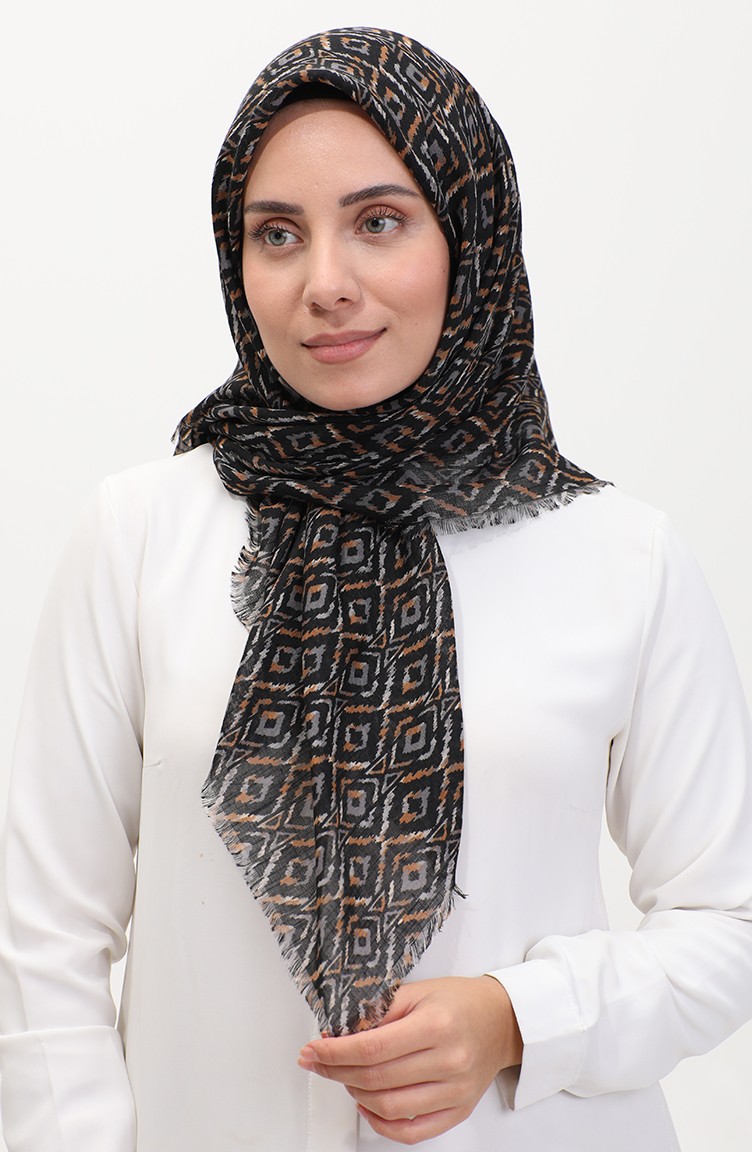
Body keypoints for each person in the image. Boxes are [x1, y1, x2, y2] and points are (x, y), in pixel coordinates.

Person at [1, 23, 751, 1152]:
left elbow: (728, 921)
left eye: (379, 222)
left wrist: (518, 1018)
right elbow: (42, 937)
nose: (324, 285)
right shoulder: (141, 535)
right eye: (277, 234)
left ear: (470, 235)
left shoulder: (619, 555)